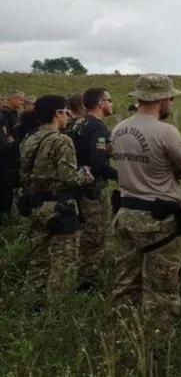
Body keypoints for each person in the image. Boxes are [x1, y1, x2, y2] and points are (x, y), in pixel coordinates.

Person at [110, 74, 181, 361]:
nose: (171, 102)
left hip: (125, 212)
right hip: (158, 221)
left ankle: (122, 348)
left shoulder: (119, 129)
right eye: (171, 97)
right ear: (161, 99)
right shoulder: (166, 132)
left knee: (125, 286)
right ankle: (157, 355)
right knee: (162, 292)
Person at [18, 95, 94, 307]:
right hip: (60, 206)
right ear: (57, 113)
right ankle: (56, 309)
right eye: (65, 112)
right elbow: (69, 178)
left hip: (35, 204)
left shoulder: (30, 138)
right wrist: (86, 176)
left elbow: (24, 174)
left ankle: (33, 305)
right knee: (64, 261)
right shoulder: (61, 140)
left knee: (38, 260)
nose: (68, 117)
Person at [68, 87, 118, 292]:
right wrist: (121, 177)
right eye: (110, 99)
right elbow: (98, 165)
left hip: (78, 188)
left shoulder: (78, 124)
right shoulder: (97, 128)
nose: (112, 103)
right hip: (92, 191)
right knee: (94, 237)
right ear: (101, 103)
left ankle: (83, 276)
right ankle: (89, 284)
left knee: (84, 235)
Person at [0, 89, 26, 222]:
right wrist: (11, 141)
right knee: (7, 188)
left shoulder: (15, 113)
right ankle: (6, 217)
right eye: (20, 99)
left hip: (15, 154)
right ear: (12, 99)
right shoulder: (4, 114)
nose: (22, 102)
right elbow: (6, 137)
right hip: (7, 157)